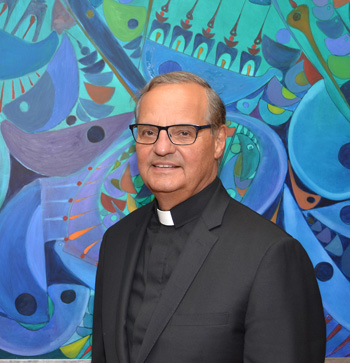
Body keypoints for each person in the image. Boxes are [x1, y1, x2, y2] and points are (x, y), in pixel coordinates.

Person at [92, 71, 326, 363]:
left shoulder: (271, 254)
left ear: (218, 142)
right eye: (149, 132)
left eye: (183, 132)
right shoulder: (116, 241)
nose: (162, 148)